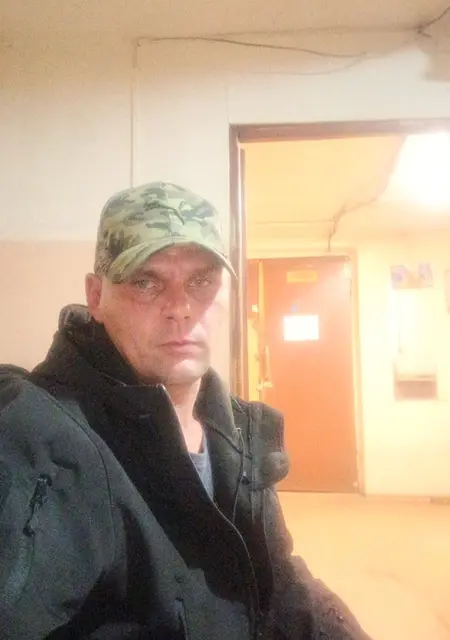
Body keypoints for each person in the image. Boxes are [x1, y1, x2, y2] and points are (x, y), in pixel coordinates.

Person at [0, 182, 373, 639]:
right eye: (146, 281)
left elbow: (277, 586)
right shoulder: (43, 441)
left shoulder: (237, 430)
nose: (180, 308)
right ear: (95, 296)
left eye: (201, 281)